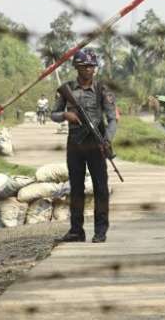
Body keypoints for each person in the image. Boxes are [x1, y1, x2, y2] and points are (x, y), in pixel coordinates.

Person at [50, 48, 117, 243]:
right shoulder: (67, 89)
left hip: (97, 144)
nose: (89, 69)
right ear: (77, 68)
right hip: (75, 144)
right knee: (76, 188)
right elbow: (53, 114)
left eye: (91, 66)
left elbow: (112, 119)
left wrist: (108, 139)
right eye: (85, 66)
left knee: (101, 188)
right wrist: (65, 115)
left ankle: (100, 230)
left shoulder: (102, 89)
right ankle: (76, 230)